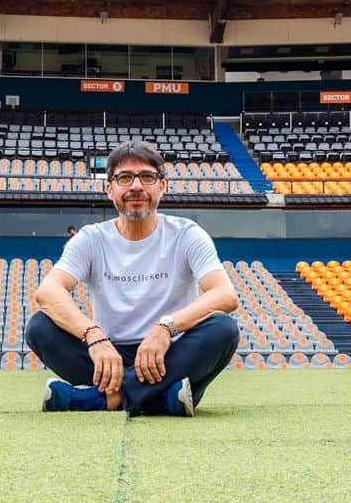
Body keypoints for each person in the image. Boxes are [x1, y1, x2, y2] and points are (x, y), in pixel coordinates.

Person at [26, 140, 239, 416]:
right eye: (125, 177)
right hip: (106, 356)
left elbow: (225, 295)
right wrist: (95, 337)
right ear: (109, 189)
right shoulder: (92, 238)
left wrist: (166, 328)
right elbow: (48, 291)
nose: (136, 186)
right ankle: (160, 399)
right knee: (40, 327)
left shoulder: (187, 234)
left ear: (162, 186)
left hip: (168, 353)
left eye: (147, 177)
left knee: (223, 329)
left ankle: (104, 399)